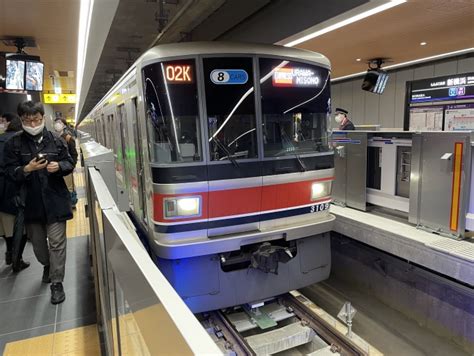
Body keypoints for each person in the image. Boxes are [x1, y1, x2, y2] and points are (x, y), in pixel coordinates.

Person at [4, 101, 75, 304]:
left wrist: (59, 166)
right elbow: (8, 172)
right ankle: (46, 265)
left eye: (36, 119)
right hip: (31, 203)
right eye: (27, 120)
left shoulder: (56, 140)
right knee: (38, 246)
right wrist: (27, 169)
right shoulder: (14, 145)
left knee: (57, 243)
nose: (32, 123)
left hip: (55, 200)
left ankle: (57, 282)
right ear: (21, 120)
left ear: (43, 118)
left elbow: (70, 161)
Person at [0, 113, 30, 270]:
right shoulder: (18, 142)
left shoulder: (1, 138)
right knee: (20, 226)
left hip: (2, 191)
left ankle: (9, 252)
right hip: (15, 189)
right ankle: (17, 258)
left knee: (6, 226)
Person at [54, 118, 78, 208]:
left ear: (64, 125)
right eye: (56, 122)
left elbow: (74, 153)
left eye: (59, 123)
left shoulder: (68, 138)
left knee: (69, 186)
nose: (57, 124)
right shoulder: (53, 137)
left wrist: (72, 165)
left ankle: (71, 203)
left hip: (67, 165)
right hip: (58, 166)